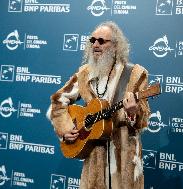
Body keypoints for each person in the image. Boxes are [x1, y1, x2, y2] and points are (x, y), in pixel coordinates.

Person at [47, 21, 150, 189]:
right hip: (94, 158)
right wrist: (65, 128)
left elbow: (142, 118)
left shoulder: (134, 74)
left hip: (125, 159)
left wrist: (133, 112)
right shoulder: (84, 73)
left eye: (101, 41)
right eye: (92, 40)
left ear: (116, 46)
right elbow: (59, 100)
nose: (95, 44)